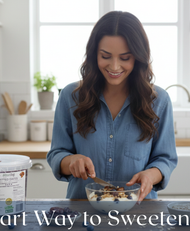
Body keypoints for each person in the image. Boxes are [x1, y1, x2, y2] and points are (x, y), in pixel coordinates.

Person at [47, 11, 177, 202]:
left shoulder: (159, 100)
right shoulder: (70, 96)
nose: (115, 67)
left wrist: (151, 174)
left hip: (139, 214)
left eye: (125, 58)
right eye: (106, 56)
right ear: (94, 55)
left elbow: (165, 159)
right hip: (83, 212)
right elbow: (57, 153)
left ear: (138, 58)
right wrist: (71, 161)